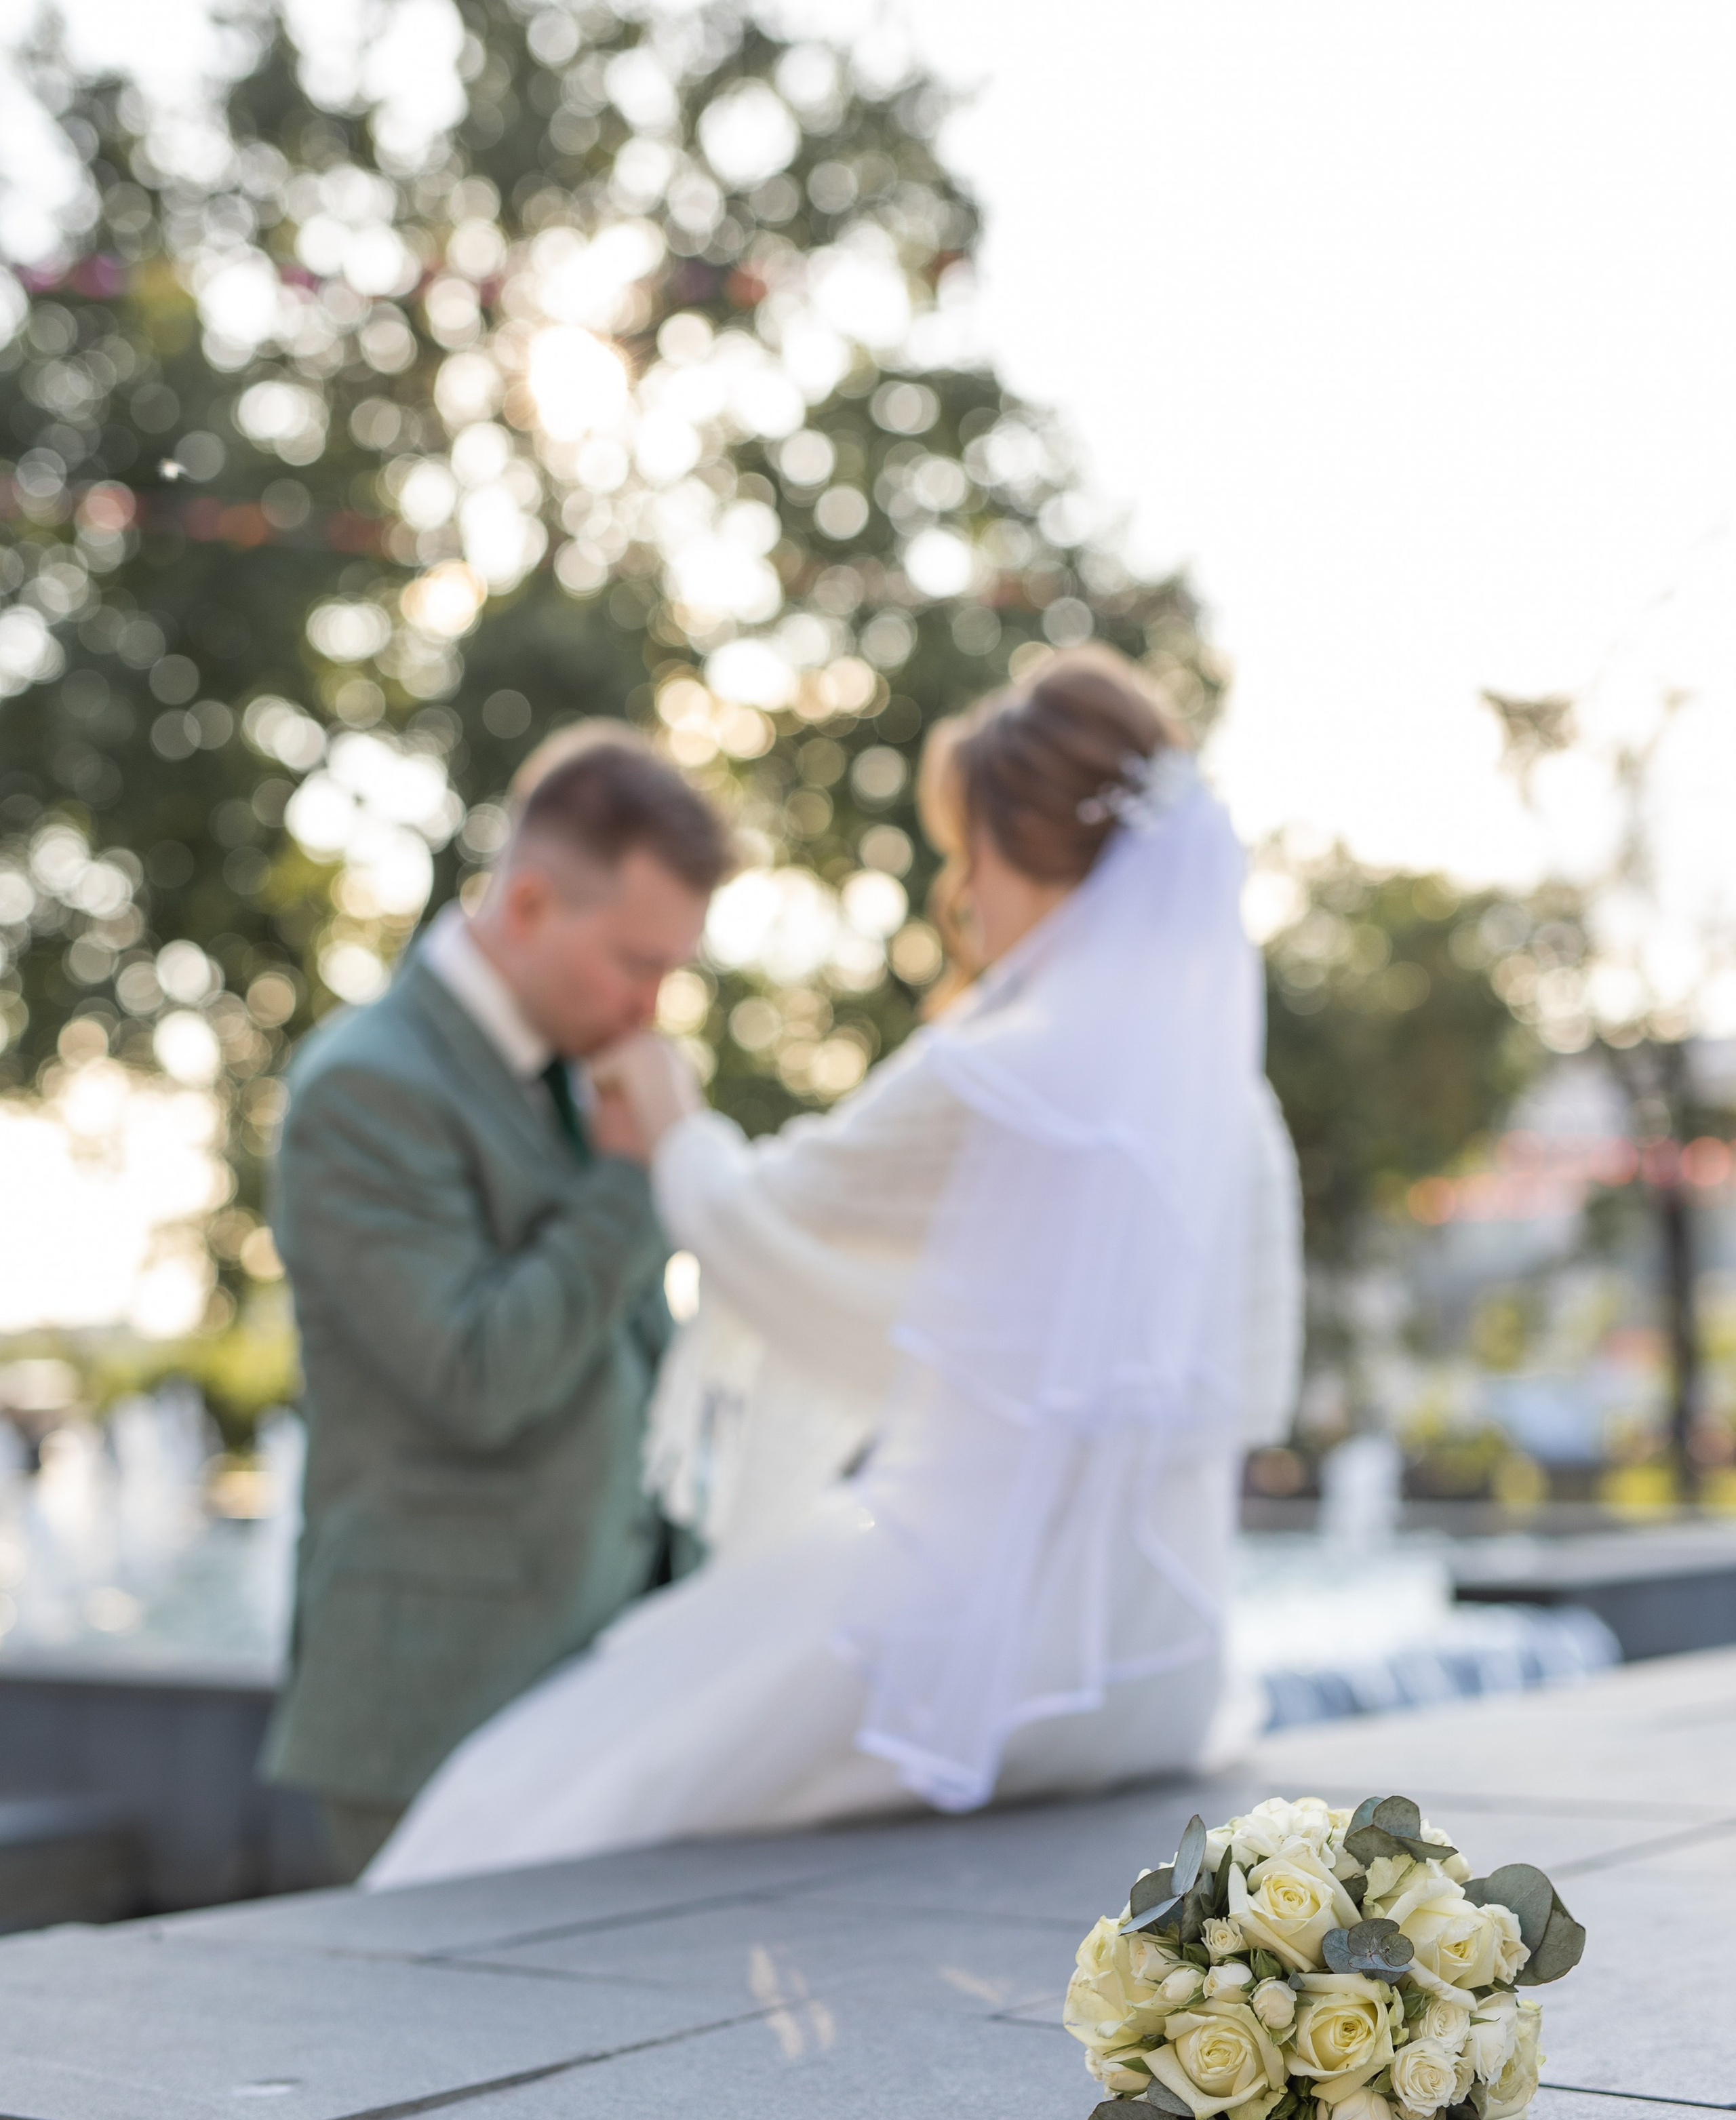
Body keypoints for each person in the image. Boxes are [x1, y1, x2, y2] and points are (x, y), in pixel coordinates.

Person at [364, 652, 1303, 1890]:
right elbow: (1246, 1387)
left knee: (539, 1786)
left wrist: (673, 1118)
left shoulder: (992, 1069)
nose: (961, 893)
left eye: (967, 853)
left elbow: (774, 1219)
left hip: (976, 1651)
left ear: (1020, 856)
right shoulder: (1234, 1113)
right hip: (1156, 1667)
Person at [259, 726, 734, 1879]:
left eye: (673, 969)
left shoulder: (581, 1071)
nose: (651, 1004)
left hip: (593, 1693)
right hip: (435, 1712)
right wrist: (630, 1184)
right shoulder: (366, 1086)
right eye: (635, 961)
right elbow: (473, 1376)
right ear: (529, 904)